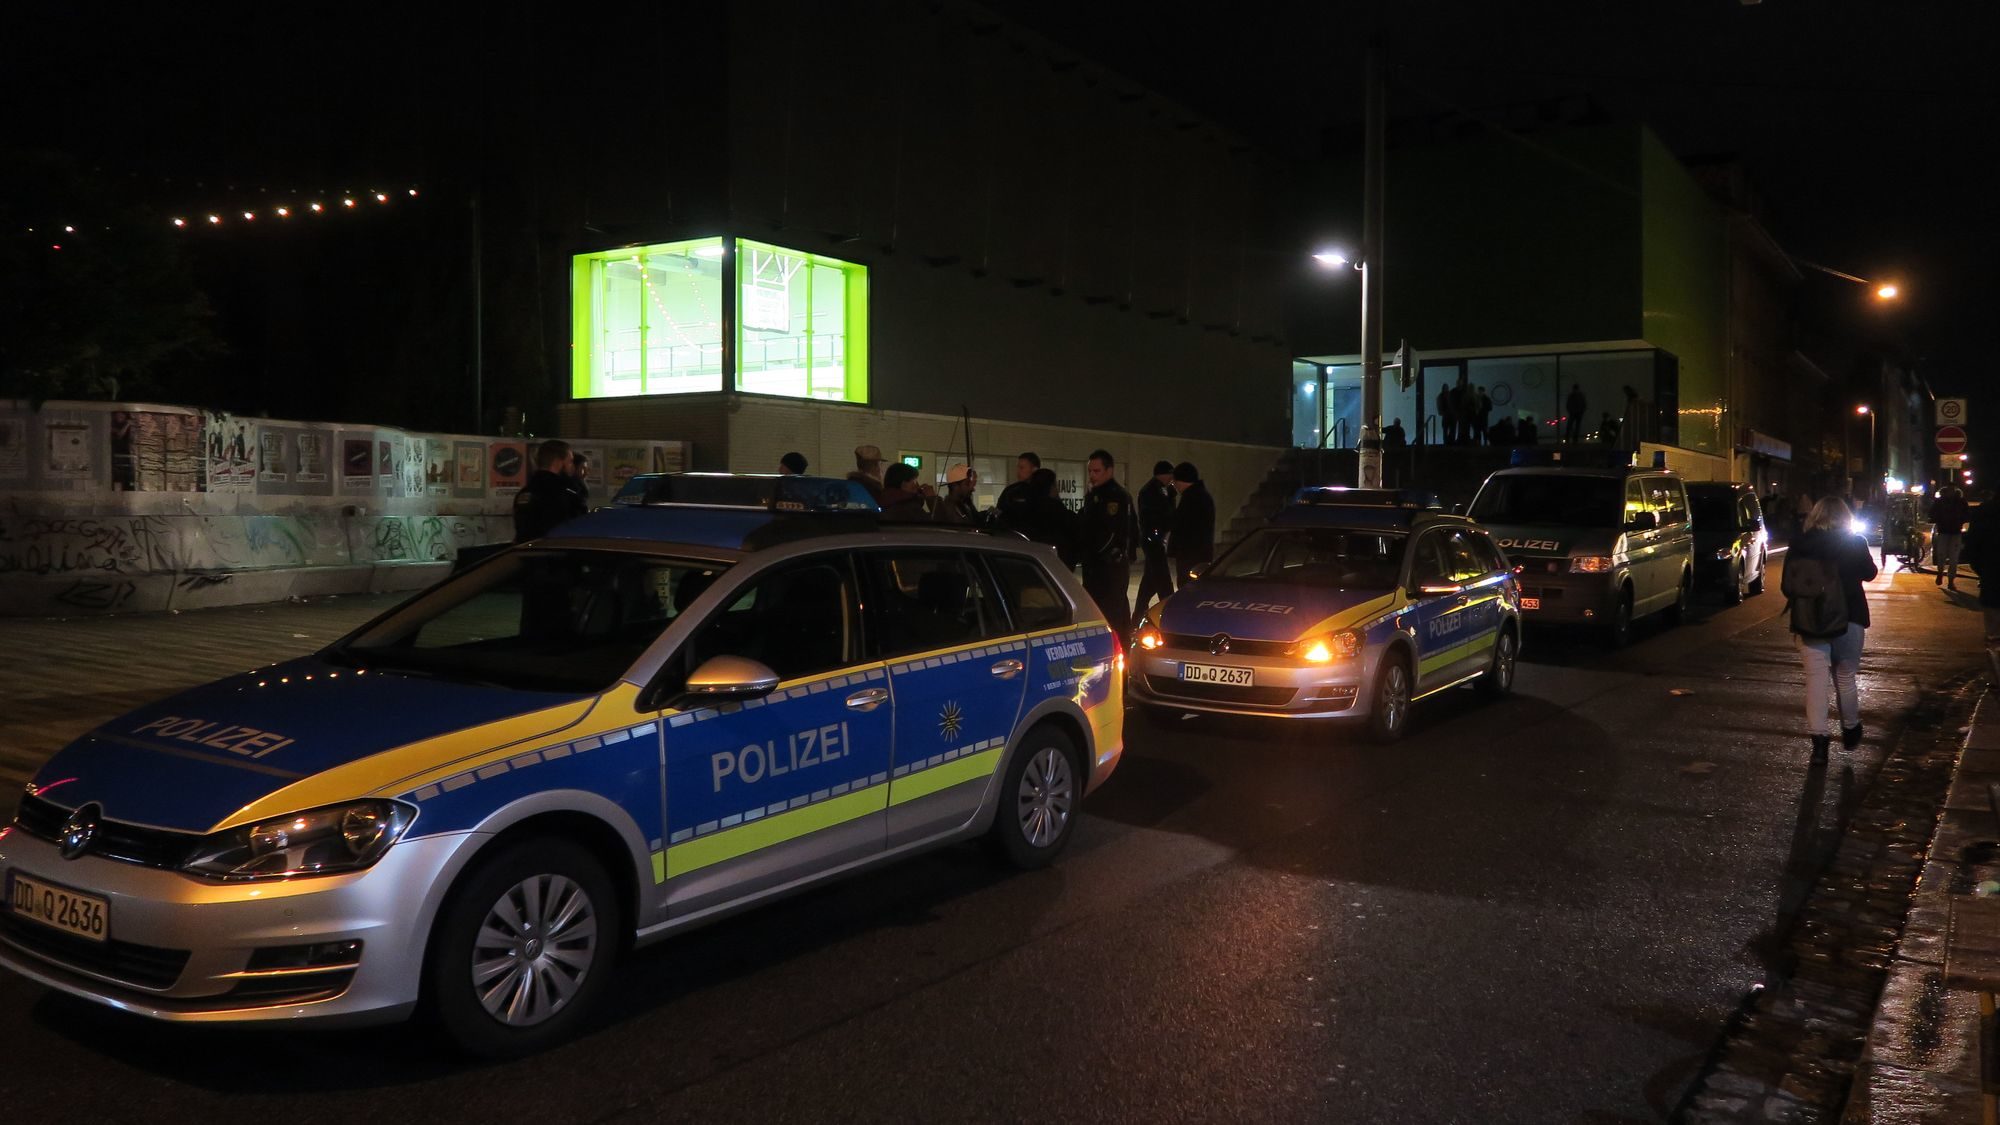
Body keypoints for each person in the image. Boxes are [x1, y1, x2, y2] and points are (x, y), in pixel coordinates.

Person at [1783, 495, 1877, 762]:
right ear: (1846, 517)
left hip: (1810, 620)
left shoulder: (1800, 543)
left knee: (1816, 680)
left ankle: (1819, 743)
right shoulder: (1854, 542)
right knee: (1845, 675)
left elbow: (1786, 586)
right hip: (1850, 616)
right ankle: (1850, 728)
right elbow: (1869, 573)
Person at [1078, 450, 1139, 638]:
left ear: (1109, 471)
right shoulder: (1094, 495)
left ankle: (1120, 653)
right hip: (1094, 565)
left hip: (1109, 565)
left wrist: (1097, 553)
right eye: (1090, 471)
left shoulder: (1116, 497)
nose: (1092, 476)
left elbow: (1113, 532)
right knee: (1105, 611)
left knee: (1111, 613)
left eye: (1096, 471)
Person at [999, 467, 1079, 566]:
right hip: (1053, 564)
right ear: (1051, 486)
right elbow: (1074, 530)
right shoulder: (1056, 510)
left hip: (1025, 563)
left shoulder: (1022, 508)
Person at [513, 439, 586, 541]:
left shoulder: (525, 493)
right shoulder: (564, 493)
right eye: (569, 462)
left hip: (525, 553)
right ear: (558, 463)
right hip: (555, 553)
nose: (572, 467)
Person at [1135, 460, 1178, 616]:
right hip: (1153, 539)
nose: (1171, 478)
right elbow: (1152, 516)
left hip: (1156, 539)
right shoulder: (1151, 491)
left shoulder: (1165, 490)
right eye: (1170, 475)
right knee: (1163, 580)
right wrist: (1158, 533)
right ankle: (1169, 612)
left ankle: (1138, 615)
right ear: (1163, 474)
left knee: (1150, 581)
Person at [1169, 461, 1215, 591]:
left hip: (1190, 555)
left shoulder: (1192, 498)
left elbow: (1181, 524)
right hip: (1198, 553)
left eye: (1175, 482)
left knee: (1189, 588)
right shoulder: (1200, 495)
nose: (1175, 486)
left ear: (1181, 481)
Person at [1930, 484, 1970, 589]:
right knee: (1942, 555)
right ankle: (1940, 574)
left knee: (1953, 558)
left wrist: (1960, 521)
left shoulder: (1960, 502)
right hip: (1944, 531)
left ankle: (1950, 580)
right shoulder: (1940, 502)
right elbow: (1932, 513)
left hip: (1954, 532)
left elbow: (1967, 515)